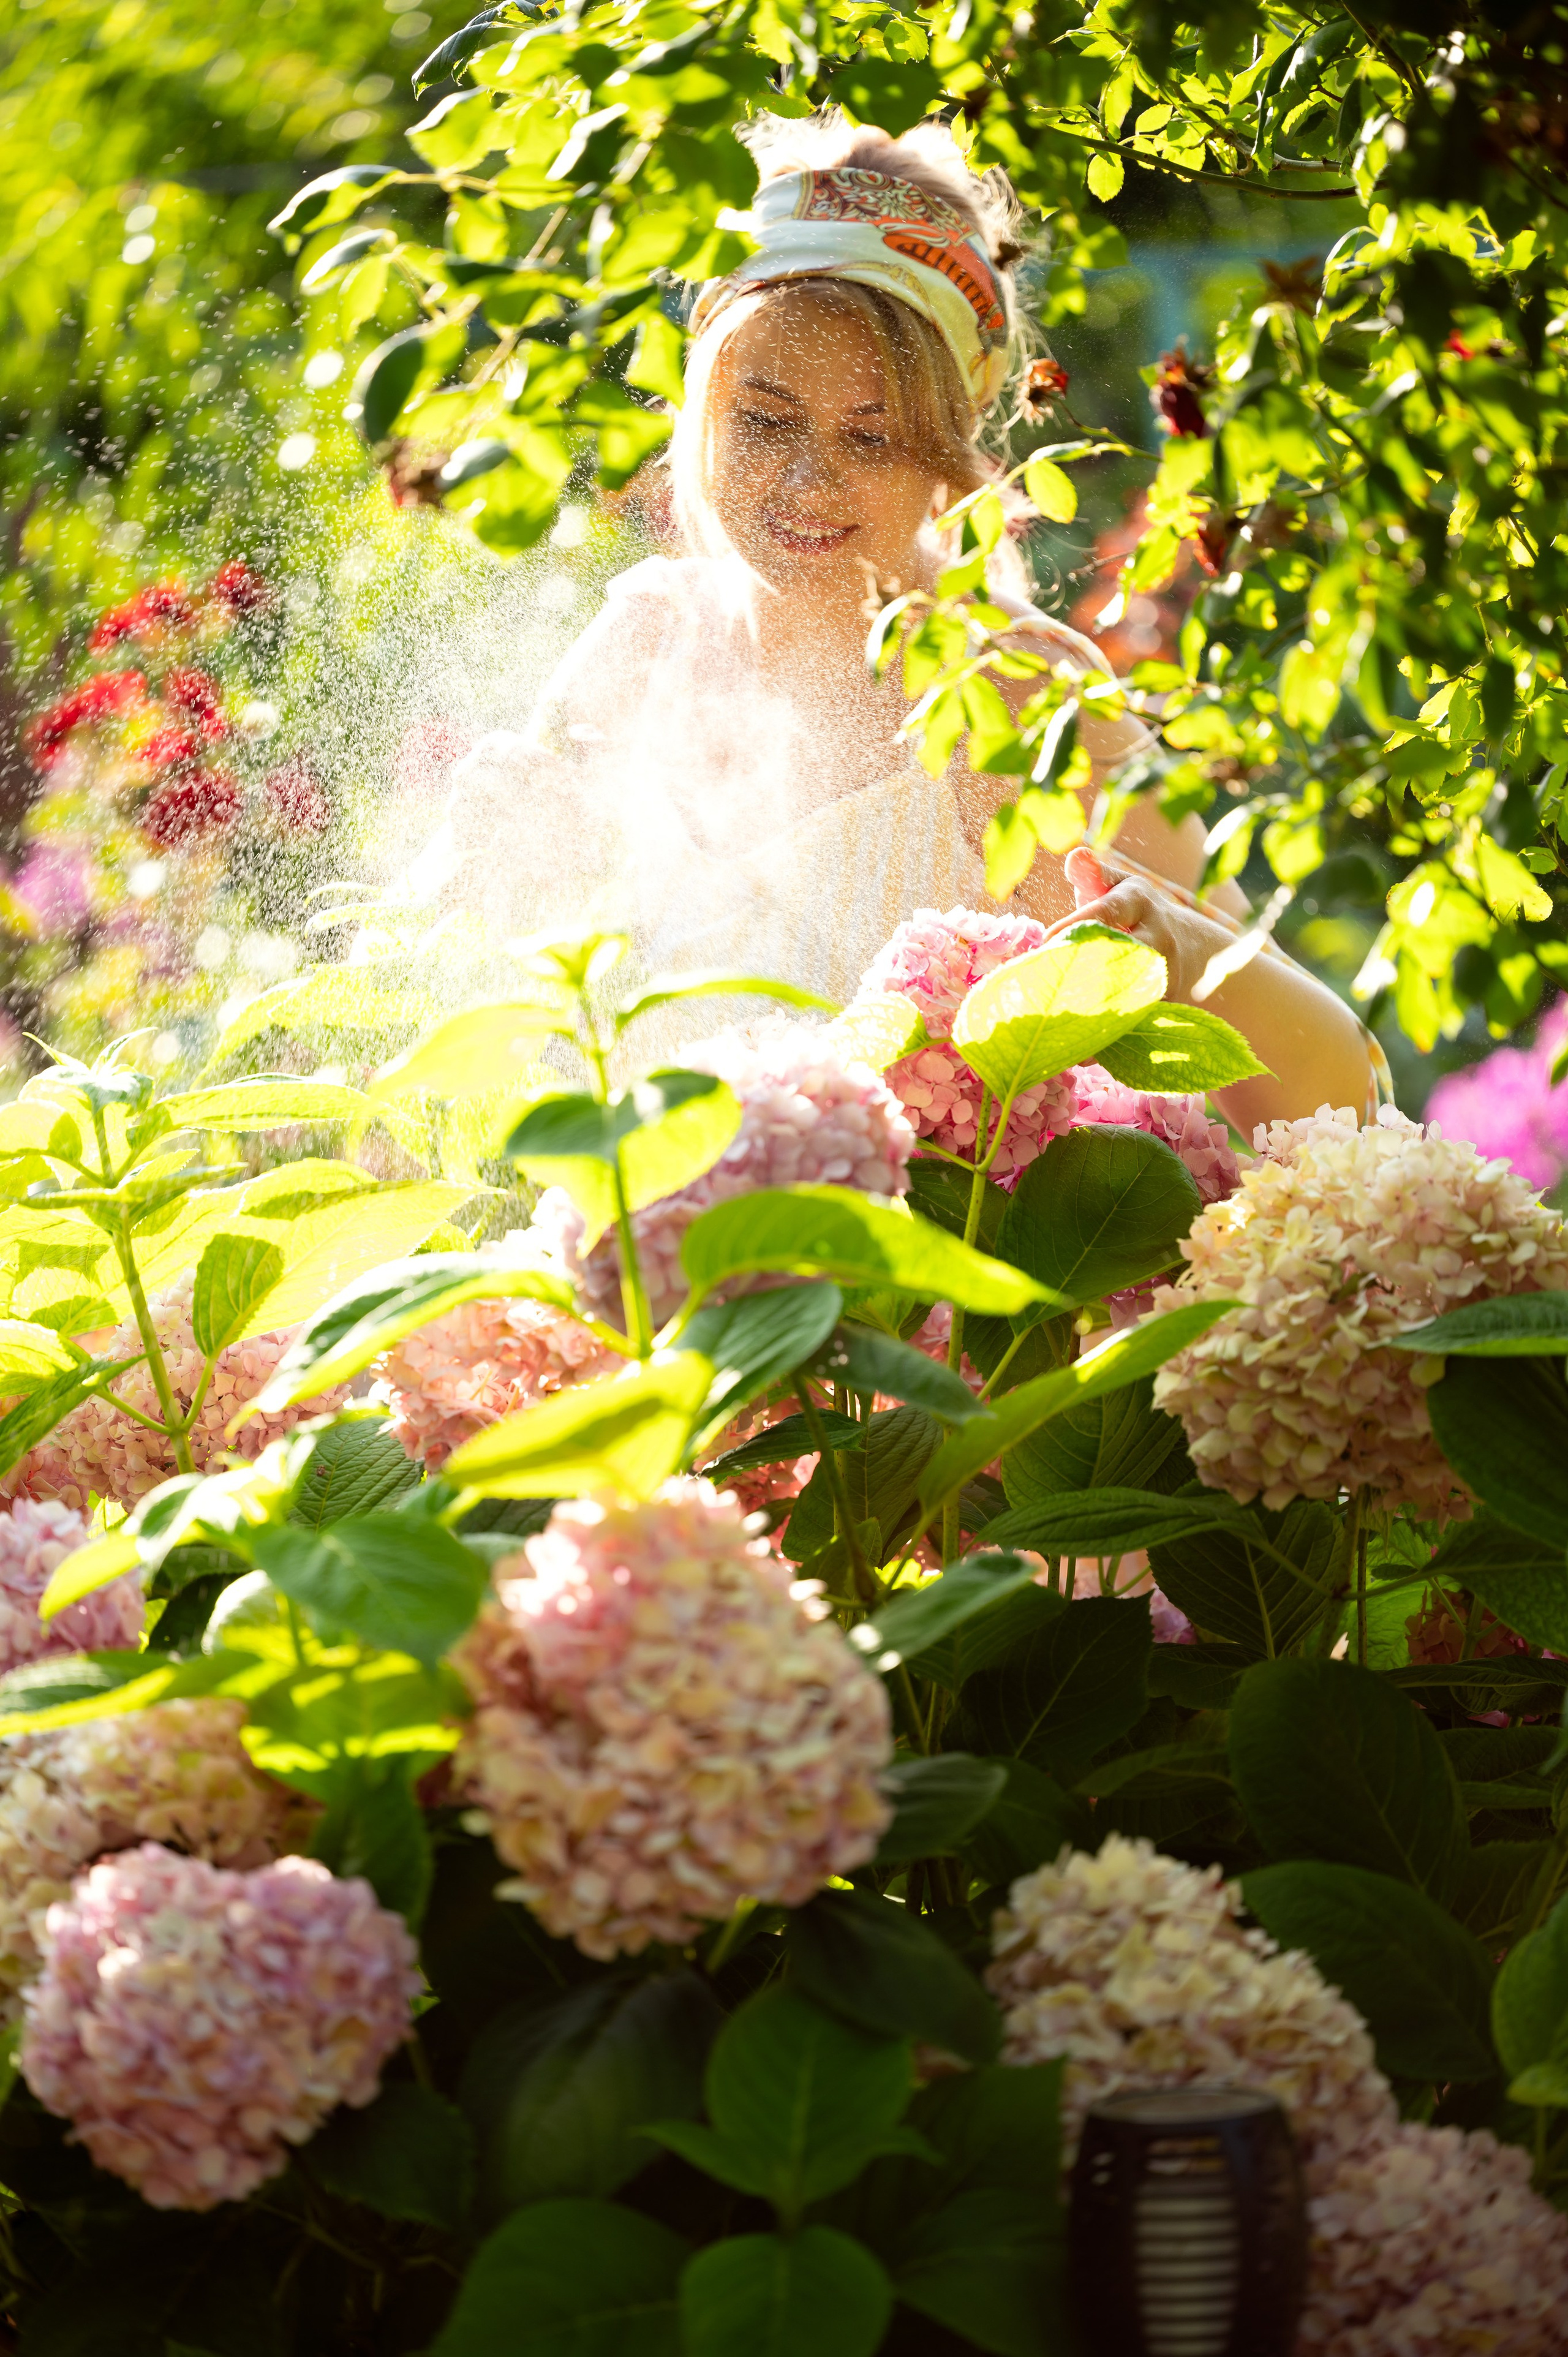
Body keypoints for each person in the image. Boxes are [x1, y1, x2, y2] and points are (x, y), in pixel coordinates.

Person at [443, 110, 1376, 1129]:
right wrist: (501, 876)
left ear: (947, 458)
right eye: (763, 421)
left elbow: (1322, 1099)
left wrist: (1177, 950)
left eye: (874, 437)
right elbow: (487, 1008)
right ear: (700, 412)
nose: (807, 479)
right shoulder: (645, 644)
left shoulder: (1015, 700)